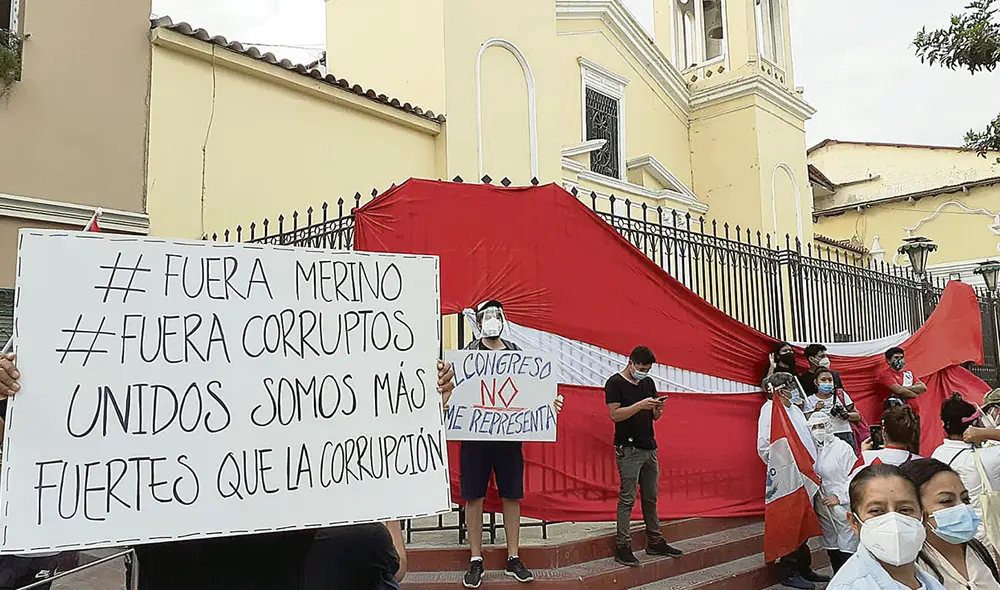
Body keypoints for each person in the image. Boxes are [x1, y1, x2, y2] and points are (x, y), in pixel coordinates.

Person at [0, 353, 456, 590]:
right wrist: (26, 393)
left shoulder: (349, 533)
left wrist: (410, 407)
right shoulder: (168, 520)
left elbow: (395, 563)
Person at [460, 300, 564, 587]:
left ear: (503, 320)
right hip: (476, 437)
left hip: (509, 438)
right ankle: (475, 559)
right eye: (487, 316)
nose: (493, 320)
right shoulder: (466, 355)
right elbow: (454, 394)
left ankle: (513, 557)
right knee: (474, 496)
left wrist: (549, 405)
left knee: (511, 495)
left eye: (497, 315)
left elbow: (532, 393)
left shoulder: (519, 355)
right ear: (479, 322)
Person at [605, 346, 683, 567]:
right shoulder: (615, 383)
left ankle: (655, 540)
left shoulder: (648, 383)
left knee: (650, 498)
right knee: (627, 498)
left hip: (649, 446)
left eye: (648, 369)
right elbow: (614, 415)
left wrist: (657, 409)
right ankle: (623, 545)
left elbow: (655, 417)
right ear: (631, 363)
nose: (644, 372)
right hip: (628, 449)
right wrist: (639, 405)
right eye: (641, 368)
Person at [757, 372, 829, 589]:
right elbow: (765, 446)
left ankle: (804, 567)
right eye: (790, 386)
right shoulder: (770, 410)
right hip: (789, 475)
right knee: (791, 521)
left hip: (806, 474)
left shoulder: (794, 409)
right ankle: (789, 570)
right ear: (781, 390)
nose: (795, 391)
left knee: (802, 521)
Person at [828, 463, 945, 590]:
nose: (894, 521)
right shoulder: (849, 586)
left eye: (905, 510)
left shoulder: (927, 578)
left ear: (923, 519)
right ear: (854, 523)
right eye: (876, 511)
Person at [899, 458, 1000, 590]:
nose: (962, 508)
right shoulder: (910, 568)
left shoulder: (979, 549)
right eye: (946, 501)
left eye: (965, 499)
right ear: (915, 509)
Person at [929, 394, 1000, 548]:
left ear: (943, 426)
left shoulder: (937, 454)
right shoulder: (990, 457)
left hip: (950, 536)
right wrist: (988, 433)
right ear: (975, 424)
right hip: (986, 541)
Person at [809, 412, 860, 574]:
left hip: (842, 505)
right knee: (831, 543)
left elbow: (854, 477)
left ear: (829, 426)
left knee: (848, 545)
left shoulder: (842, 448)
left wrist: (839, 497)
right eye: (814, 427)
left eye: (821, 426)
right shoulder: (811, 450)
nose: (818, 430)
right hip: (823, 506)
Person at [851, 404, 923, 479]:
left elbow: (849, 485)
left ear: (884, 431)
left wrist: (863, 455)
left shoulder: (867, 458)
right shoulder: (921, 463)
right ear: (912, 434)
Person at [804, 367, 862, 451]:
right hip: (823, 436)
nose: (827, 383)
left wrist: (846, 415)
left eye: (830, 380)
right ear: (816, 382)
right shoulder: (810, 400)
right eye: (823, 380)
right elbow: (806, 419)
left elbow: (857, 416)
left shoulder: (840, 395)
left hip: (844, 433)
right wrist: (816, 410)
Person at [765, 343, 806, 411]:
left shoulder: (794, 370)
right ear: (778, 355)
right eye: (785, 351)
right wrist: (771, 367)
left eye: (790, 350)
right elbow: (767, 387)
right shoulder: (774, 370)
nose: (789, 353)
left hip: (797, 406)